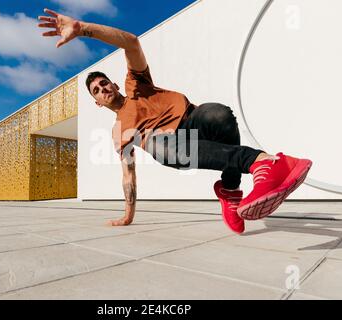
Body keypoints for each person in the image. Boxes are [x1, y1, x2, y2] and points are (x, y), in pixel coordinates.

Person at [38, 9, 313, 234]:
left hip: (193, 120)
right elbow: (128, 176)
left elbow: (131, 42)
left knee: (219, 113)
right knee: (161, 145)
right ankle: (266, 163)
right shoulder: (118, 132)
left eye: (103, 83)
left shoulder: (136, 85)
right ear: (97, 102)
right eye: (96, 90)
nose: (103, 89)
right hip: (170, 145)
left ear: (113, 84)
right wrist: (127, 216)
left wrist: (83, 28)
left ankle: (231, 190)